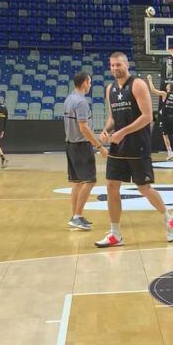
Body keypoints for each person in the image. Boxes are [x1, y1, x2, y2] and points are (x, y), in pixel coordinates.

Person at [96, 52, 173, 247]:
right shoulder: (110, 89)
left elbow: (148, 116)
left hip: (137, 144)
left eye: (118, 64)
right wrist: (105, 130)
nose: (115, 68)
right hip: (118, 145)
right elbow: (113, 117)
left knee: (144, 188)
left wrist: (123, 132)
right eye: (112, 65)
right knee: (111, 186)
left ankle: (168, 217)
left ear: (126, 65)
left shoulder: (138, 85)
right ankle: (115, 233)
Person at [63, 72, 108, 231]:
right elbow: (83, 128)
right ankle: (77, 216)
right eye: (89, 82)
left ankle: (75, 216)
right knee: (90, 181)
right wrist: (99, 146)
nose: (90, 85)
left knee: (77, 182)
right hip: (81, 146)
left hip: (70, 145)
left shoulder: (69, 99)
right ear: (84, 83)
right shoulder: (81, 102)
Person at [149, 75, 173, 161]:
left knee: (165, 135)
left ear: (169, 88)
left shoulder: (165, 94)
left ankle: (170, 152)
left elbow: (153, 90)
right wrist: (172, 105)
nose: (166, 86)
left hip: (165, 117)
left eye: (167, 86)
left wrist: (150, 80)